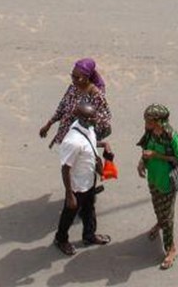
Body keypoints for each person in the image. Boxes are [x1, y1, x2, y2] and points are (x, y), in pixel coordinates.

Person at [54, 107, 109, 256]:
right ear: (84, 119)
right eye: (93, 117)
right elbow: (65, 169)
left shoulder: (88, 128)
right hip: (77, 187)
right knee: (69, 214)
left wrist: (104, 144)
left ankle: (89, 235)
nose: (97, 119)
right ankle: (61, 239)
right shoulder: (73, 142)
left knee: (89, 209)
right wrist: (69, 194)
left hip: (89, 181)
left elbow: (90, 142)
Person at [137, 104, 178, 271]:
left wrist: (156, 155)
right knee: (157, 206)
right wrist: (142, 162)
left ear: (158, 121)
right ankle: (159, 222)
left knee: (168, 216)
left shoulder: (171, 136)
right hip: (153, 178)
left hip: (167, 181)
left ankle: (171, 249)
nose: (145, 124)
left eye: (148, 121)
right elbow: (146, 148)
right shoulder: (150, 132)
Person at [39, 58, 113, 146]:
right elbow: (62, 107)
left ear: (87, 77)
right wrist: (48, 125)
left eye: (77, 78)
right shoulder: (73, 88)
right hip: (67, 133)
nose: (73, 80)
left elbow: (105, 121)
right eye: (72, 76)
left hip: (80, 138)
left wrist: (88, 118)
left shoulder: (95, 95)